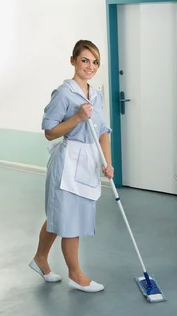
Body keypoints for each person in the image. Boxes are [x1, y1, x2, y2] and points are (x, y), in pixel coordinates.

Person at [28, 40, 114, 293]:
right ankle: (76, 275)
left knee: (60, 217)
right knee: (69, 220)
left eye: (95, 62)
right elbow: (50, 132)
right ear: (73, 61)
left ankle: (40, 259)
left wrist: (107, 163)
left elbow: (103, 133)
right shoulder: (63, 93)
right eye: (85, 60)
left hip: (87, 164)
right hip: (66, 163)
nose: (90, 66)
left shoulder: (96, 95)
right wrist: (77, 117)